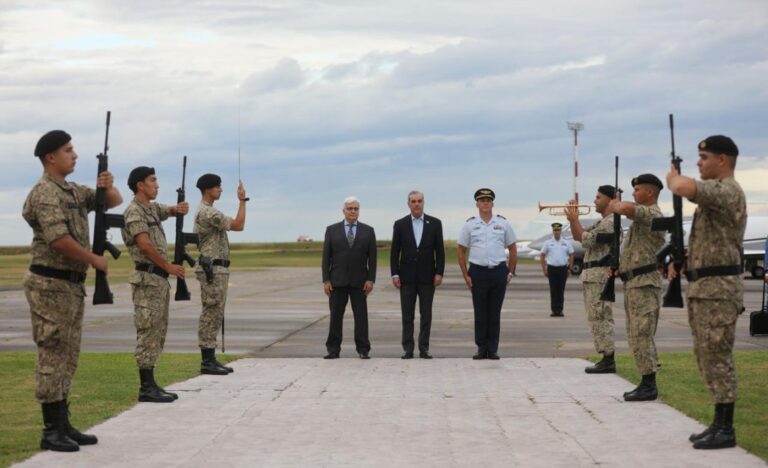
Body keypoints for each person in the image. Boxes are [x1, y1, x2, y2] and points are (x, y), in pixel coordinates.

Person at [23, 130, 122, 452]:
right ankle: (50, 429)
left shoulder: (71, 191)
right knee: (52, 354)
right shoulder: (45, 193)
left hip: (69, 286)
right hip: (49, 284)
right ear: (50, 157)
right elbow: (58, 240)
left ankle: (63, 423)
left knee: (68, 357)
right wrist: (94, 258)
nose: (74, 154)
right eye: (68, 150)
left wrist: (107, 182)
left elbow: (112, 202)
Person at [667, 135, 746, 449]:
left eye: (704, 157)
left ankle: (726, 428)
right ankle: (718, 422)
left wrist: (673, 176)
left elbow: (684, 188)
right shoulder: (716, 196)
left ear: (722, 160)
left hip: (719, 292)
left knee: (718, 355)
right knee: (706, 355)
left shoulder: (727, 190)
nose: (699, 163)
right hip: (705, 288)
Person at [121, 166, 189, 403]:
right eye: (153, 180)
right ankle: (146, 387)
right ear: (140, 185)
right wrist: (168, 266)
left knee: (158, 331)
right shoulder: (134, 211)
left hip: (157, 281)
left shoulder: (150, 209)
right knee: (148, 330)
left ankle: (151, 383)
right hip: (147, 279)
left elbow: (166, 210)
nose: (157, 184)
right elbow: (145, 245)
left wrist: (176, 208)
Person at [605, 173, 665, 401]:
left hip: (644, 284)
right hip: (634, 283)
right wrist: (620, 266)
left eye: (638, 189)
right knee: (635, 334)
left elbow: (629, 209)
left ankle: (649, 384)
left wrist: (616, 203)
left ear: (650, 192)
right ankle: (645, 380)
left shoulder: (652, 214)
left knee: (642, 332)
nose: (634, 193)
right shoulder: (642, 219)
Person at [193, 174, 247, 375]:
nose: (221, 190)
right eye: (218, 187)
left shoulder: (209, 211)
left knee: (215, 312)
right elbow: (239, 225)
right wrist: (242, 201)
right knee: (211, 312)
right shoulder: (208, 213)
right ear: (208, 189)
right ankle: (207, 360)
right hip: (212, 268)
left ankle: (210, 358)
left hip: (217, 268)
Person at [457, 188, 517, 360]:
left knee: (494, 312)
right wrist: (466, 275)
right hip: (477, 272)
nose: (485, 203)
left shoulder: (503, 223)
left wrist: (510, 271)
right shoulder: (470, 224)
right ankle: (481, 348)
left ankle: (493, 348)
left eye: (488, 200)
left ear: (492, 203)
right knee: (480, 311)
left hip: (498, 271)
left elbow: (512, 248)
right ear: (477, 203)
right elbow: (461, 251)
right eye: (482, 200)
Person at [566, 186, 618, 373]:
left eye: (598, 197)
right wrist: (573, 221)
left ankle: (608, 358)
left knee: (601, 316)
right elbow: (578, 236)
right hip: (592, 276)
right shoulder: (601, 222)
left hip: (599, 276)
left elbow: (586, 240)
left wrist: (574, 219)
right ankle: (605, 356)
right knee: (595, 317)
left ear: (610, 200)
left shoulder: (610, 223)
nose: (594, 200)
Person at [390, 191, 445, 359]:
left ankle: (424, 348)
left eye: (419, 201)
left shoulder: (435, 223)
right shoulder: (400, 224)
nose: (416, 204)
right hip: (406, 278)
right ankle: (408, 348)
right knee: (407, 314)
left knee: (426, 314)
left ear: (423, 203)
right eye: (413, 201)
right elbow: (394, 252)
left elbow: (440, 251)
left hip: (428, 277)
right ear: (408, 204)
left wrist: (439, 272)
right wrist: (394, 274)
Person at [322, 196, 377, 359]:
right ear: (343, 211)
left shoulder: (368, 230)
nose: (353, 211)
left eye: (356, 209)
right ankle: (333, 349)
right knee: (335, 317)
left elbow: (372, 258)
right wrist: (326, 280)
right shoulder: (331, 230)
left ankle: (363, 349)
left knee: (361, 317)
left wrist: (370, 279)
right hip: (337, 282)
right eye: (350, 208)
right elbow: (326, 257)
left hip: (360, 282)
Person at [539, 222, 574, 317]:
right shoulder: (548, 243)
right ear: (553, 231)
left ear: (561, 231)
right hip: (552, 269)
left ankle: (560, 310)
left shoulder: (566, 242)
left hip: (563, 269)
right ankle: (554, 310)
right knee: (553, 290)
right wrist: (544, 269)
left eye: (558, 230)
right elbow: (542, 255)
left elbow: (571, 255)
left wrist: (570, 268)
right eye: (555, 230)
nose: (557, 232)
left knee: (561, 290)